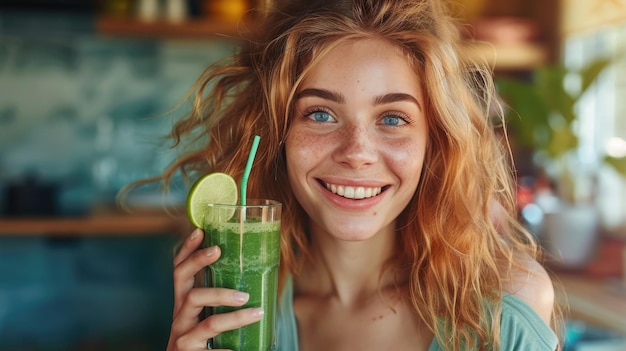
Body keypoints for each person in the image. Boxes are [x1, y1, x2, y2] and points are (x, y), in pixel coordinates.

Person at [150, 0, 561, 349]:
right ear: (277, 133)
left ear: (434, 141)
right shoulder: (239, 308)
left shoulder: (504, 309)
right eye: (320, 114)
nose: (357, 153)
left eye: (393, 118)